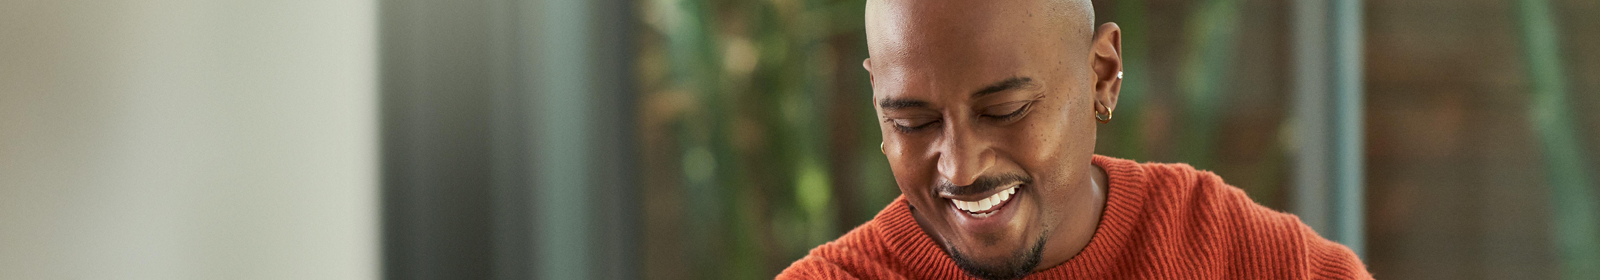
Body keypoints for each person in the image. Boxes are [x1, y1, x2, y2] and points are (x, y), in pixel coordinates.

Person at [777, 0, 1372, 279]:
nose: (959, 168)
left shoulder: (1239, 259)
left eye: (1005, 109)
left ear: (1103, 75)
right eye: (913, 123)